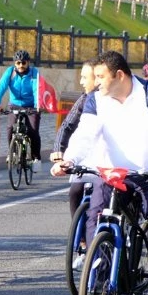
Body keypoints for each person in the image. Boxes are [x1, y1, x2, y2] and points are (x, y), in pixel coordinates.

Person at [50, 50, 148, 289]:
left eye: (100, 76)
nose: (96, 82)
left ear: (119, 75)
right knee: (97, 214)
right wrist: (69, 160)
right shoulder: (96, 99)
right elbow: (85, 134)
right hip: (113, 172)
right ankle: (100, 270)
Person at [49, 59, 99, 217]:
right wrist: (58, 149)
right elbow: (67, 125)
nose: (81, 81)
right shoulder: (85, 98)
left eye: (85, 77)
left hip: (110, 158)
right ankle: (81, 238)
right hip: (85, 154)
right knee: (75, 192)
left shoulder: (114, 98)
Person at [0, 49, 43, 172]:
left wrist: (37, 105)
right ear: (14, 63)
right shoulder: (10, 72)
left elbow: (37, 89)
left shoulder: (33, 73)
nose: (21, 65)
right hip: (15, 105)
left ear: (28, 63)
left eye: (23, 63)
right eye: (18, 63)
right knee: (10, 128)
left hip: (31, 106)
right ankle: (13, 153)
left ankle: (36, 158)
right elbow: (1, 87)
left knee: (33, 130)